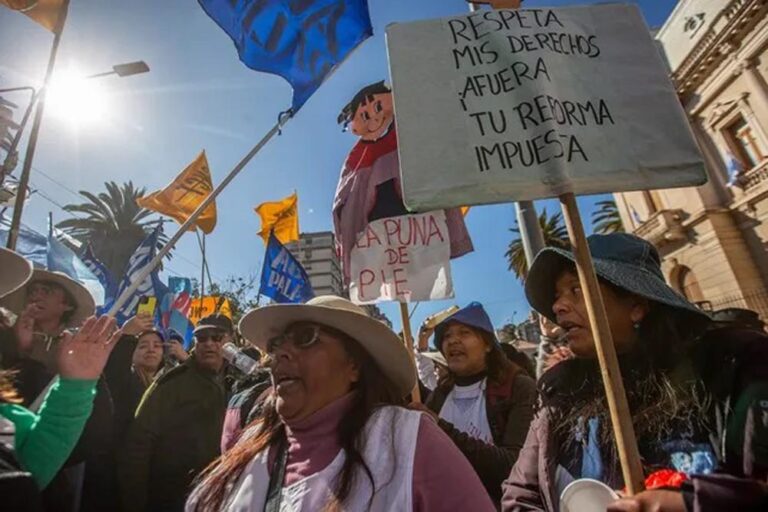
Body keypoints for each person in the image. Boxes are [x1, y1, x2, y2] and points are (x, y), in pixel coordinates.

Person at [501, 233, 768, 512]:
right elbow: (521, 496)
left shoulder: (735, 364)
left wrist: (693, 503)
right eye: (557, 296)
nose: (558, 307)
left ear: (637, 306)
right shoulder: (558, 392)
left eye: (576, 290)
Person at [187, 295, 495, 511]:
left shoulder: (409, 440)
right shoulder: (251, 444)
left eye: (306, 337)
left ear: (355, 365)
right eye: (277, 343)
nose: (281, 352)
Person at [0, 248, 121, 508]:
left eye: (47, 291)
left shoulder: (79, 350)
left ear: (66, 305)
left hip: (60, 473)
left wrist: (78, 382)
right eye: (33, 290)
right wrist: (16, 351)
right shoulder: (7, 341)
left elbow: (96, 425)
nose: (36, 295)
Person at [413, 302, 537, 504]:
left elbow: (513, 467)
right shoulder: (439, 395)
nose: (453, 341)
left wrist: (440, 429)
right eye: (446, 336)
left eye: (464, 333)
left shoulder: (518, 388)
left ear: (488, 343)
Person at [118, 313, 233, 512]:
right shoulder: (171, 384)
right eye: (202, 338)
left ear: (231, 341)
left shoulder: (243, 383)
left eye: (217, 337)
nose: (209, 344)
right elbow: (138, 444)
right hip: (174, 498)